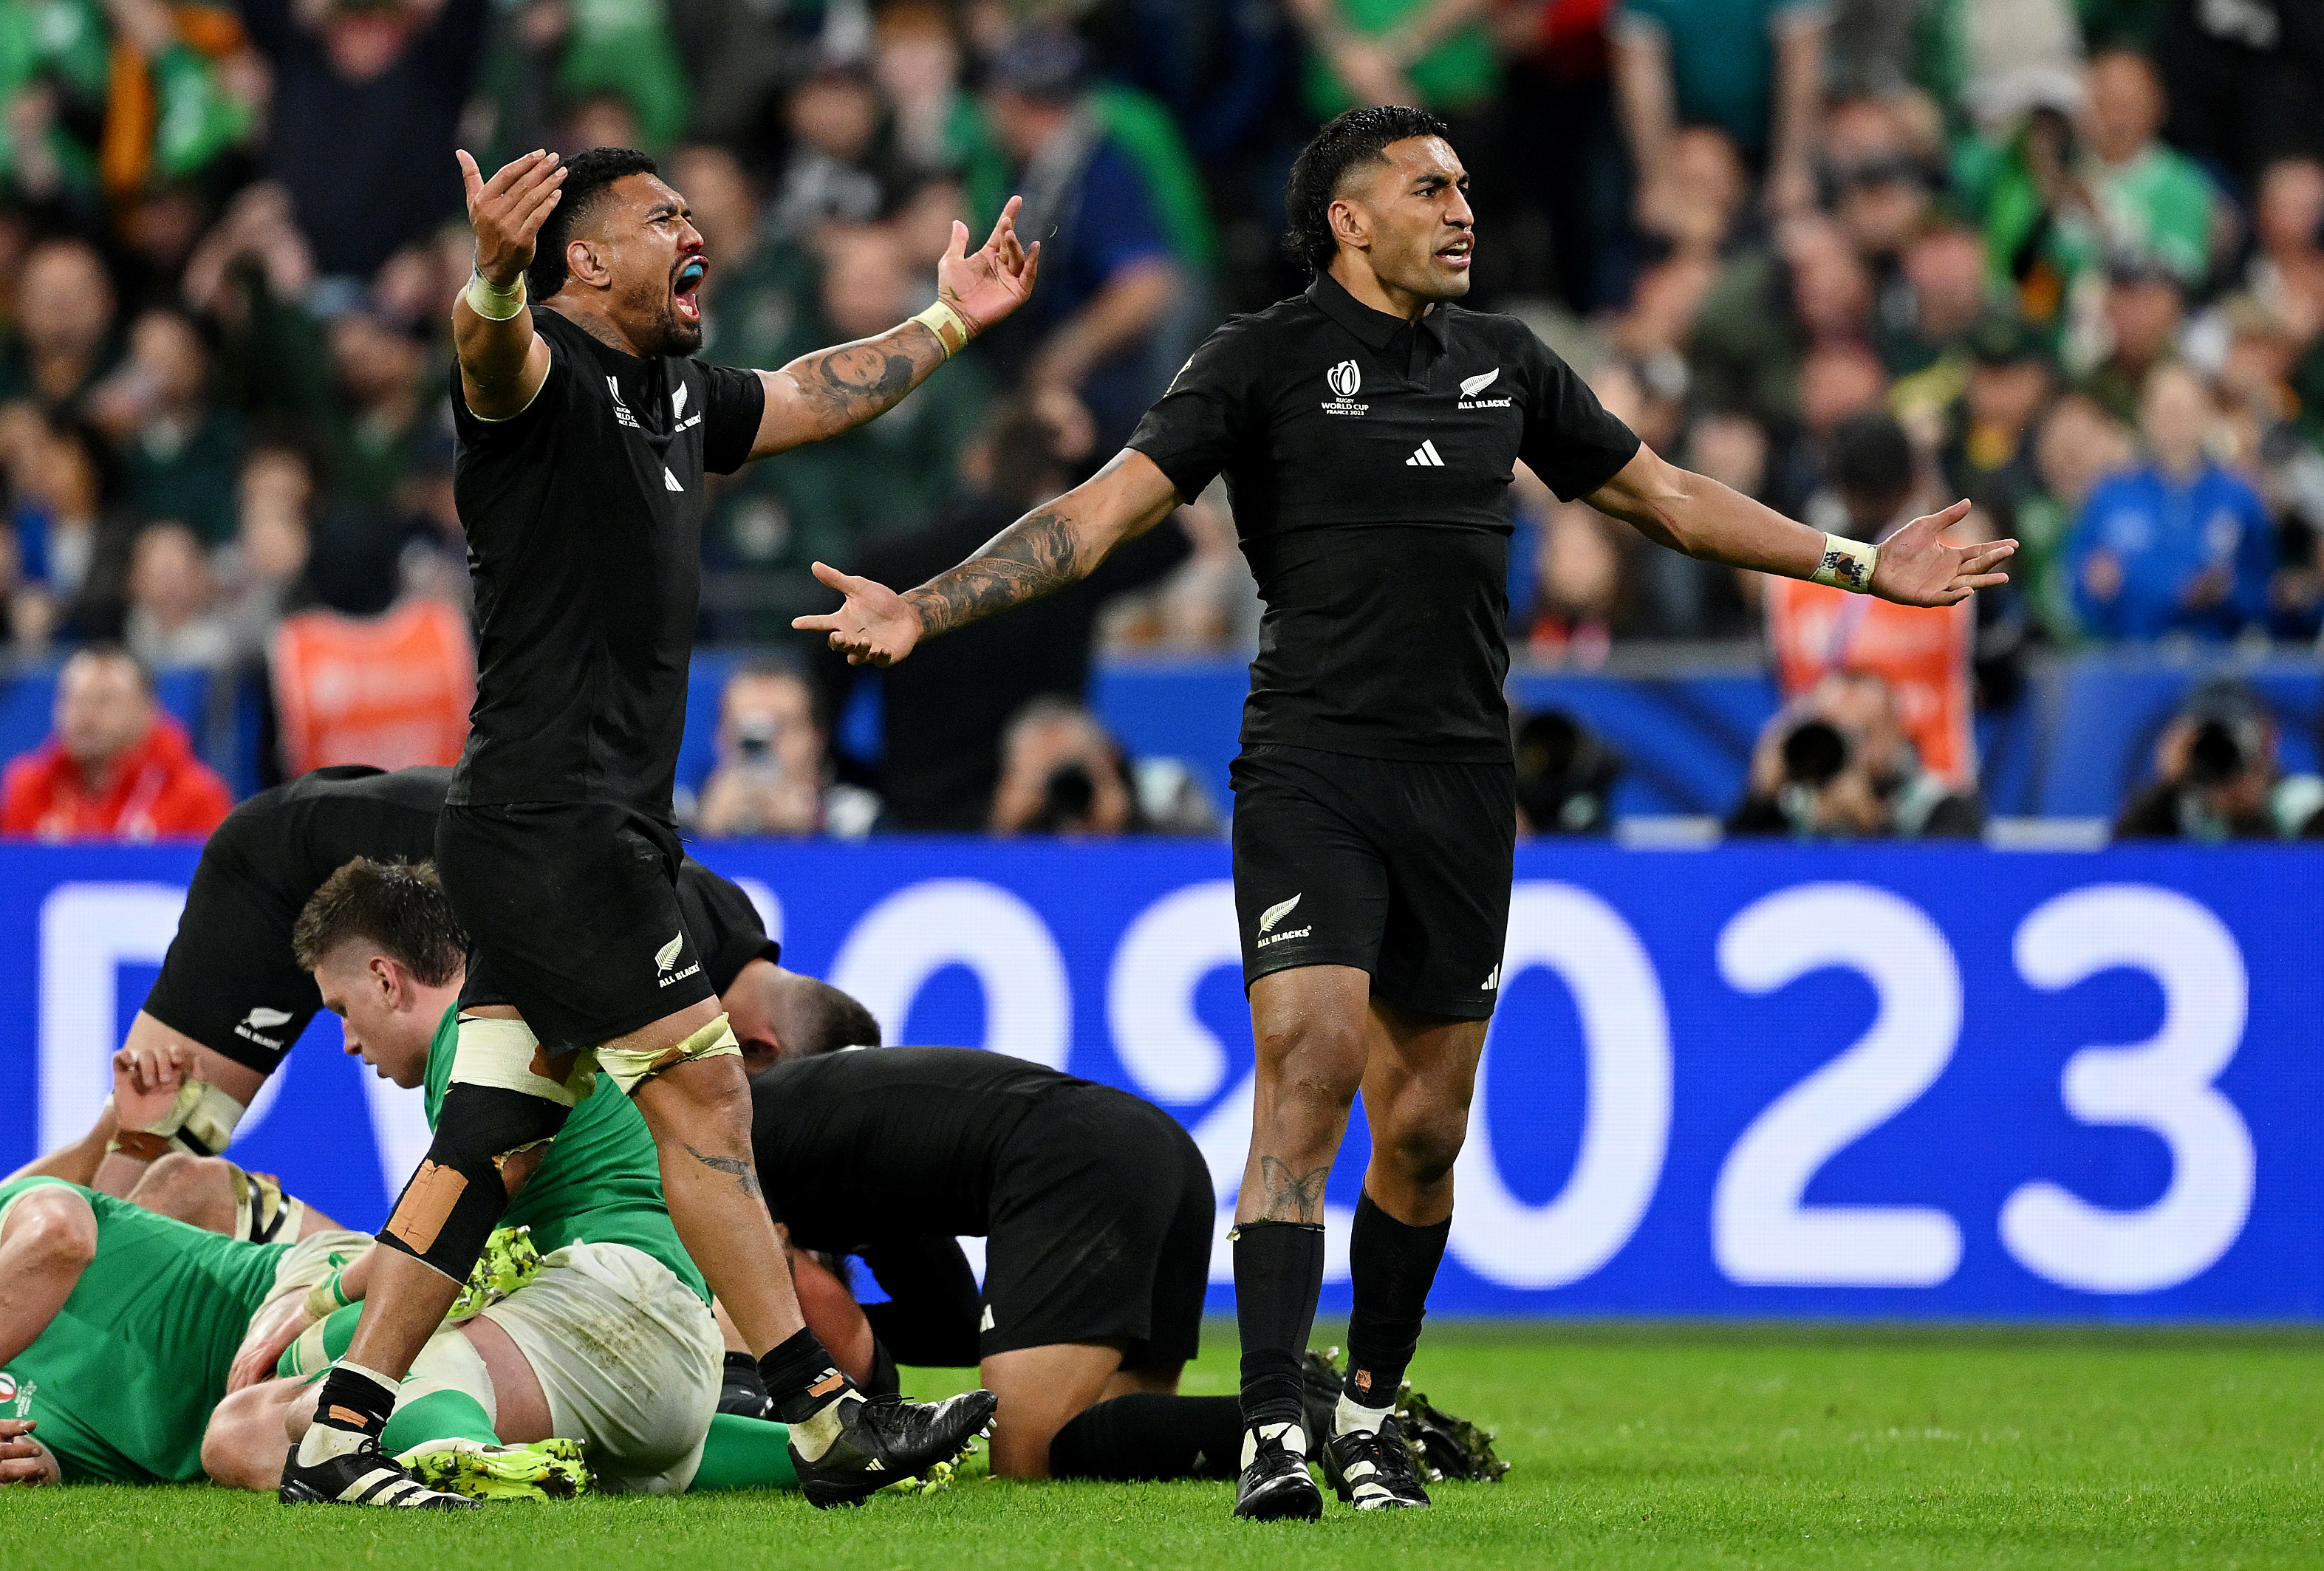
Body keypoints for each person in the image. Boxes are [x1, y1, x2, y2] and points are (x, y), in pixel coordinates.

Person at [797, 103, 2014, 1521]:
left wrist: (1862, 565)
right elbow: (1099, 512)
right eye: (1428, 188)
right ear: (1348, 219)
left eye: (1465, 188)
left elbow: (1669, 498)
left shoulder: (1505, 363)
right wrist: (927, 607)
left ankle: (1367, 1408)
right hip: (1312, 768)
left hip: (1461, 785)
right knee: (1307, 1060)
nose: (1460, 209)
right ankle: (1271, 1423)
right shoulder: (1256, 359)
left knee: (1425, 1129)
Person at [281, 142, 1035, 1511]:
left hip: (558, 824)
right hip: (557, 824)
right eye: (660, 216)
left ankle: (338, 1429)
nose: (695, 229)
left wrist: (947, 320)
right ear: (585, 259)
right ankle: (823, 1415)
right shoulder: (541, 377)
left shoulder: (678, 393)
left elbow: (807, 391)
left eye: (694, 209)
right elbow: (487, 356)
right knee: (705, 1094)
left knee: (490, 1140)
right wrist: (490, 281)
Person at [200, 858, 812, 1502]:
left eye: (343, 1010)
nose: (349, 1041)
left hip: (621, 1304)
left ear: (385, 978)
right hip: (660, 1355)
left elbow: (440, 1240)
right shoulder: (527, 1010)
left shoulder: (477, 1040)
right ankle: (827, 1442)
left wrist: (315, 1307)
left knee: (318, 1405)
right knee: (251, 1426)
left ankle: (469, 1463)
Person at [0, 1045, 369, 1486]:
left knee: (188, 1184)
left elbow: (61, 1236)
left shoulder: (27, 1218)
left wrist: (135, 1138)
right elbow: (38, 1462)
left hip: (291, 1299)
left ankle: (418, 1276)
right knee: (240, 1440)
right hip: (242, 1416)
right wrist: (21, 1465)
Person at [2070, 363, 2273, 642]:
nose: (2175, 422)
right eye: (2165, 410)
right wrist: (2097, 587)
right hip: (2134, 654)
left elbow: (2265, 588)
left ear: (2205, 414)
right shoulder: (2111, 496)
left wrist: (2229, 590)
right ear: (2145, 415)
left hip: (2217, 654)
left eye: (2184, 410)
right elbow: (2079, 588)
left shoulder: (2239, 495)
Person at [0, 645, 232, 842]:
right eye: (74, 700)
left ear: (147, 709)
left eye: (104, 700)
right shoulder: (28, 788)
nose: (85, 715)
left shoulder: (196, 795)